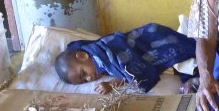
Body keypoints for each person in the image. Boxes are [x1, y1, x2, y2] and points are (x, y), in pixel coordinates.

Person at [55, 23, 197, 93]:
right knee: (182, 65)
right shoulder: (102, 66)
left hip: (150, 38)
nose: (89, 79)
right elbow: (122, 72)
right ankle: (190, 79)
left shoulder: (103, 50)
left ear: (82, 55)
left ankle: (191, 76)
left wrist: (111, 85)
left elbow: (129, 72)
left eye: (83, 73)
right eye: (83, 81)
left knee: (182, 54)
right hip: (148, 46)